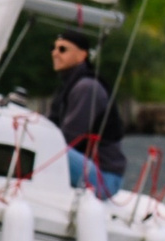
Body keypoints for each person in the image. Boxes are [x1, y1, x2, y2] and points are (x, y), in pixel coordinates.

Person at [47, 28, 127, 199]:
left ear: (82, 55)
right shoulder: (69, 84)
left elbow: (70, 139)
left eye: (62, 49)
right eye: (53, 48)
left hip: (104, 178)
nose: (55, 53)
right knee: (42, 144)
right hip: (90, 168)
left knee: (47, 148)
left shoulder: (87, 88)